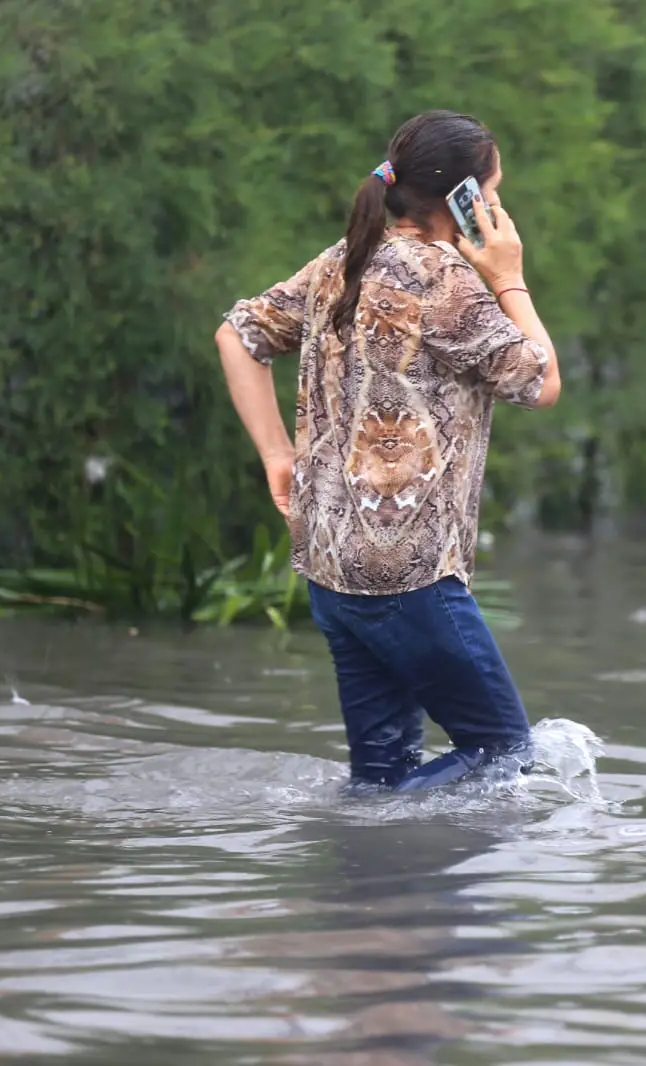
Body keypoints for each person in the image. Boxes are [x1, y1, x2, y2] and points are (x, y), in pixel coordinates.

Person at [214, 110, 561, 793]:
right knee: (505, 756)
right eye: (492, 193)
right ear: (463, 199)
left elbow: (238, 335)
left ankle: (369, 865)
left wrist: (276, 455)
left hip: (329, 566)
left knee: (378, 778)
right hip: (410, 578)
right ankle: (392, 852)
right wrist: (509, 277)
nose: (497, 209)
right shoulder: (442, 279)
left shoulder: (341, 260)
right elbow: (541, 382)